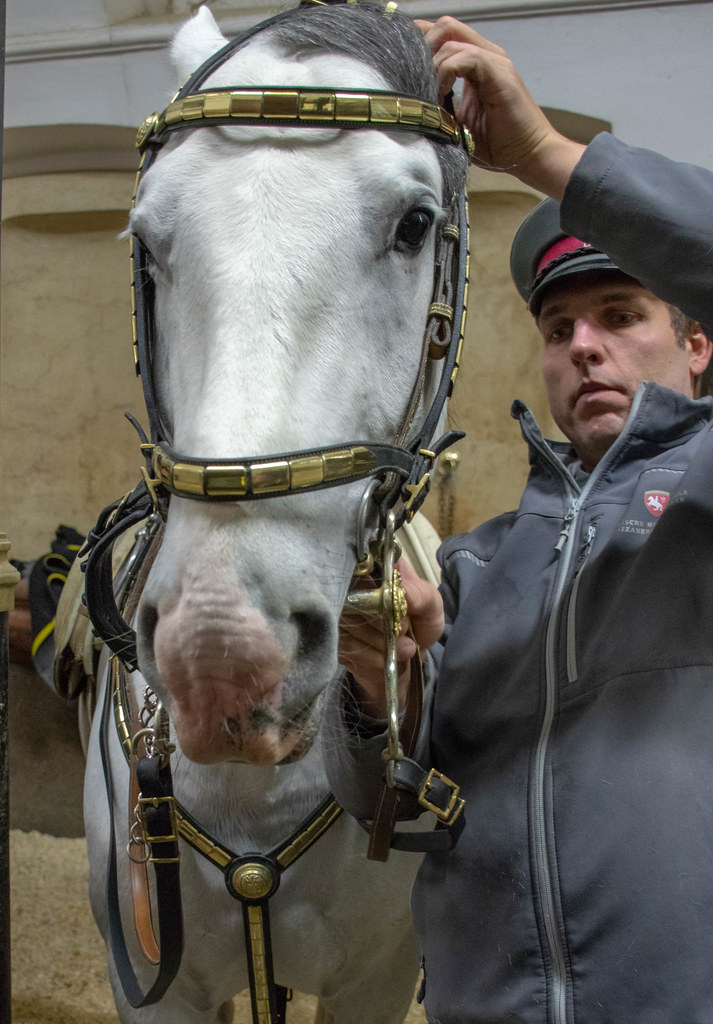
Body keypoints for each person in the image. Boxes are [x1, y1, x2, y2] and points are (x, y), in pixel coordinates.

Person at [329, 16, 713, 1024]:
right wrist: (377, 694)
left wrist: (548, 160)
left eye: (622, 315)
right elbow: (388, 812)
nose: (584, 346)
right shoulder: (478, 567)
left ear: (699, 344)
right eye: (558, 328)